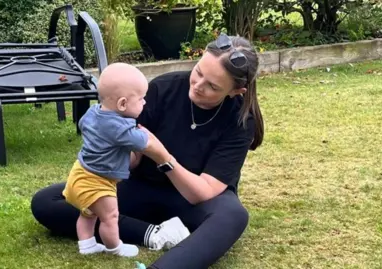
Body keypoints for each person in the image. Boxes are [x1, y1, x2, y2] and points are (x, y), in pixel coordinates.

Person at [31, 33, 264, 269]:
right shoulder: (163, 88)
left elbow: (201, 192)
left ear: (236, 91)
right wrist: (105, 149)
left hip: (191, 202)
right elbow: (131, 162)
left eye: (213, 86)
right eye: (199, 72)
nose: (198, 85)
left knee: (233, 216)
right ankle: (152, 233)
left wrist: (162, 156)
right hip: (141, 187)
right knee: (48, 200)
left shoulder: (241, 120)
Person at [61, 62, 168, 257]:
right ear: (122, 104)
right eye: (142, 99)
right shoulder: (120, 129)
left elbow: (83, 124)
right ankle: (114, 247)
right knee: (110, 217)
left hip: (80, 172)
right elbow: (144, 141)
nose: (145, 103)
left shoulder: (93, 112)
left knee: (88, 213)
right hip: (99, 182)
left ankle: (86, 245)